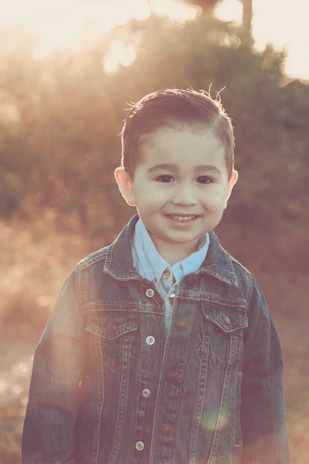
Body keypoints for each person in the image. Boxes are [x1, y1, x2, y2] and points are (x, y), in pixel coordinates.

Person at [22, 88, 289, 464]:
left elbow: (265, 405)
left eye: (205, 180)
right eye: (165, 178)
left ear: (228, 186)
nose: (184, 196)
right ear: (128, 184)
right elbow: (52, 399)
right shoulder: (89, 283)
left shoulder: (242, 293)